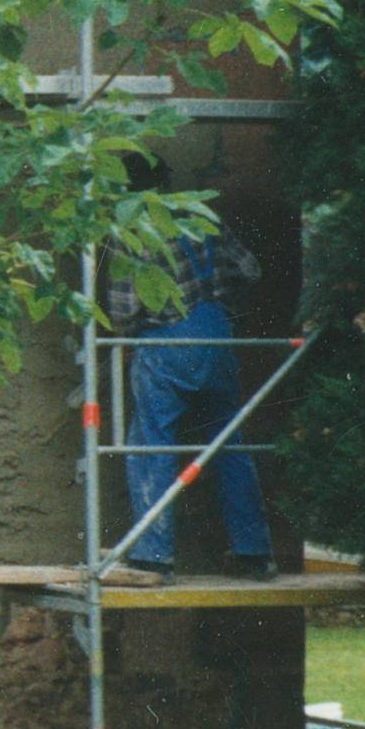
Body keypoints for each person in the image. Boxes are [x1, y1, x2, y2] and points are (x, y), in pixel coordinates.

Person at [105, 161, 275, 586]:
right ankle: (254, 553)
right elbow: (250, 270)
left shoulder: (132, 231)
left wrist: (127, 339)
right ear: (166, 182)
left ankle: (153, 557)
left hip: (165, 345)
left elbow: (123, 309)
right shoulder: (200, 218)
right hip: (217, 340)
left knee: (152, 443)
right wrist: (220, 301)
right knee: (228, 443)